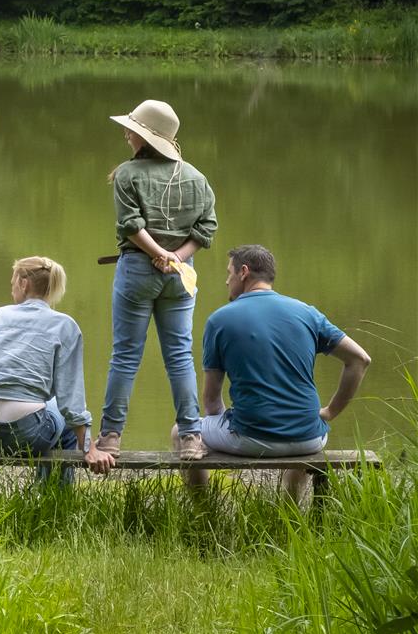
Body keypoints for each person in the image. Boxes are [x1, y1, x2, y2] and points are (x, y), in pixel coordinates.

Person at [85, 99, 217, 473]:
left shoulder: (128, 174)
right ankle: (191, 438)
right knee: (179, 355)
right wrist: (177, 257)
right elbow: (206, 229)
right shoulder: (196, 177)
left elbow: (131, 225)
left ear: (145, 137)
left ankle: (111, 437)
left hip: (138, 272)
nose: (126, 133)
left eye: (132, 129)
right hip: (180, 276)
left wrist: (160, 253)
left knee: (126, 355)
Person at [193, 245, 372, 497]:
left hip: (251, 439)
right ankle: (290, 513)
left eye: (229, 273)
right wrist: (330, 412)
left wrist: (228, 427)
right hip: (310, 438)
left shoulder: (220, 320)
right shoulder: (308, 313)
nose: (226, 281)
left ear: (244, 272)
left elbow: (211, 401)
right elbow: (360, 359)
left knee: (181, 432)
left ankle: (204, 514)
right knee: (296, 432)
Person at [0, 256, 92, 480]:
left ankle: (48, 498)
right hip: (26, 436)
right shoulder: (64, 325)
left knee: (49, 407)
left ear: (23, 283)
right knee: (65, 420)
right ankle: (54, 502)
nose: (12, 290)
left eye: (12, 283)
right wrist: (89, 449)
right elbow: (71, 398)